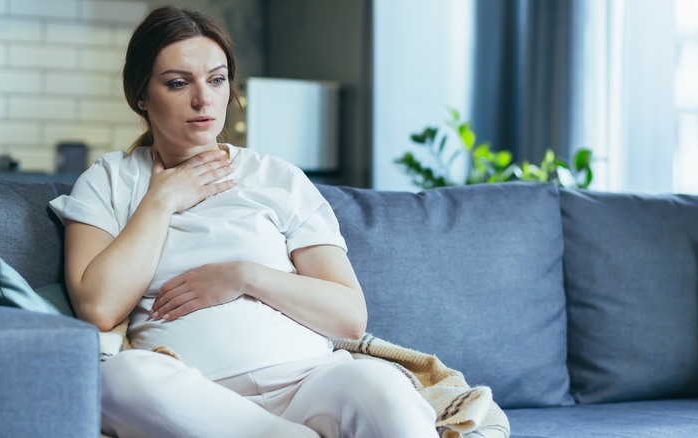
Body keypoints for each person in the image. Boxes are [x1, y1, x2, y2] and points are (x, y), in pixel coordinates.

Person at [50, 6, 439, 438]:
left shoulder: (278, 177)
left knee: (380, 387)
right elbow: (98, 309)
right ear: (140, 95)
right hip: (194, 398)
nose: (204, 100)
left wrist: (243, 276)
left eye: (216, 80)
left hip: (309, 380)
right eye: (179, 83)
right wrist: (162, 200)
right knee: (120, 380)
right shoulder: (109, 180)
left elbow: (349, 317)